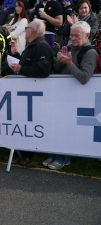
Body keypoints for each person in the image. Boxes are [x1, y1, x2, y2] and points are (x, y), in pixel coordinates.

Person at [43, 21, 97, 170]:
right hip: (63, 96)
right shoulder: (71, 49)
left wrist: (69, 63)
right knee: (57, 126)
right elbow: (56, 69)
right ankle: (55, 154)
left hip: (78, 100)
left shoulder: (90, 53)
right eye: (71, 35)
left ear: (86, 35)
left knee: (67, 128)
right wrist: (61, 60)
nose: (72, 38)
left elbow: (84, 77)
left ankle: (64, 158)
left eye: (76, 36)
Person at [5, 19, 53, 165]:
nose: (25, 30)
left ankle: (28, 154)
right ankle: (19, 152)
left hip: (34, 94)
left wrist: (22, 69)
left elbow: (43, 70)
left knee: (29, 124)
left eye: (26, 28)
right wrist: (16, 55)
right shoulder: (32, 45)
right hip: (25, 92)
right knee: (21, 122)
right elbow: (27, 64)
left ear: (31, 31)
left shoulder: (42, 46)